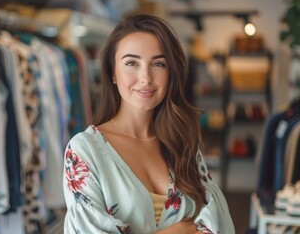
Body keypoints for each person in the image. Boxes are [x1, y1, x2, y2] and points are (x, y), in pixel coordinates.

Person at [63, 14, 235, 234]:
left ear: (170, 73)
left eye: (158, 64)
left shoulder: (183, 142)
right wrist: (182, 229)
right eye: (132, 63)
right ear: (112, 73)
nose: (145, 77)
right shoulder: (84, 151)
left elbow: (218, 219)